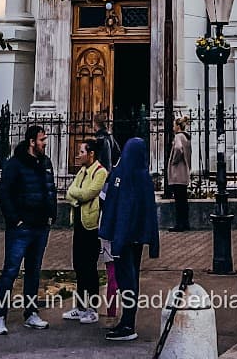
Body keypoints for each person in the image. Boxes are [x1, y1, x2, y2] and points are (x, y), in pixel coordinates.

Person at [0, 123, 56, 336]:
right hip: (21, 228)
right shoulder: (15, 164)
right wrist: (15, 220)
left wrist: (50, 215)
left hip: (40, 227)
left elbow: (50, 189)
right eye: (42, 140)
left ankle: (30, 313)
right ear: (32, 142)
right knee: (10, 271)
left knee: (33, 272)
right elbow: (4, 193)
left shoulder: (46, 163)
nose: (45, 143)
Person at [98, 135, 160, 343]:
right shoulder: (144, 178)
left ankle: (128, 323)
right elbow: (148, 212)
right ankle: (128, 319)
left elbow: (120, 209)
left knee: (126, 279)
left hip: (123, 238)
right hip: (135, 237)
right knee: (130, 278)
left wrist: (115, 237)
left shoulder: (123, 177)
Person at [63, 139, 108, 323]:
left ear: (91, 154)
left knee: (90, 268)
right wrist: (76, 199)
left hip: (92, 226)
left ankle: (93, 308)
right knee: (79, 266)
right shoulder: (82, 171)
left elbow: (90, 192)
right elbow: (69, 192)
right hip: (79, 224)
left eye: (81, 151)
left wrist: (77, 195)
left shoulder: (100, 172)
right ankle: (80, 306)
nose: (78, 154)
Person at [166, 118, 191, 232]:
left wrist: (174, 161)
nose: (173, 128)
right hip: (184, 173)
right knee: (183, 201)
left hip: (178, 174)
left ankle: (179, 224)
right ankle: (185, 223)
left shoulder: (178, 137)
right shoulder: (186, 137)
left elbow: (178, 148)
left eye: (174, 125)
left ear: (178, 126)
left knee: (179, 201)